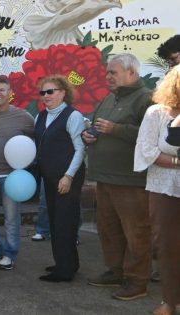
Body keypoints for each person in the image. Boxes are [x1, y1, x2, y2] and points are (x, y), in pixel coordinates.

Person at [81, 53, 154, 300]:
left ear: (131, 73)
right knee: (109, 229)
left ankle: (137, 281)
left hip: (131, 181)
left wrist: (116, 129)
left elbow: (151, 137)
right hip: (105, 178)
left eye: (113, 72)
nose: (108, 76)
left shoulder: (147, 99)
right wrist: (88, 136)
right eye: (108, 72)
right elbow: (94, 128)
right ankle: (116, 271)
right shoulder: (108, 99)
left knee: (136, 232)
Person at [134, 65, 180, 315]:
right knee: (168, 246)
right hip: (164, 190)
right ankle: (169, 302)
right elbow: (147, 151)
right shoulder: (157, 113)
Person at [0, 75, 35, 271]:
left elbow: (37, 139)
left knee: (11, 218)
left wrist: (28, 161)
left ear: (10, 93)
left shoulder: (23, 116)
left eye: (2, 90)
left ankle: (9, 254)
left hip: (12, 177)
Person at [34, 75, 86, 283]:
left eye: (51, 91)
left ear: (63, 92)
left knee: (65, 223)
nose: (46, 96)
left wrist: (68, 176)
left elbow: (80, 149)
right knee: (56, 222)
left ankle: (64, 271)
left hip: (67, 178)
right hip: (50, 178)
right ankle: (66, 263)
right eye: (43, 92)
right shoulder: (40, 116)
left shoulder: (73, 116)